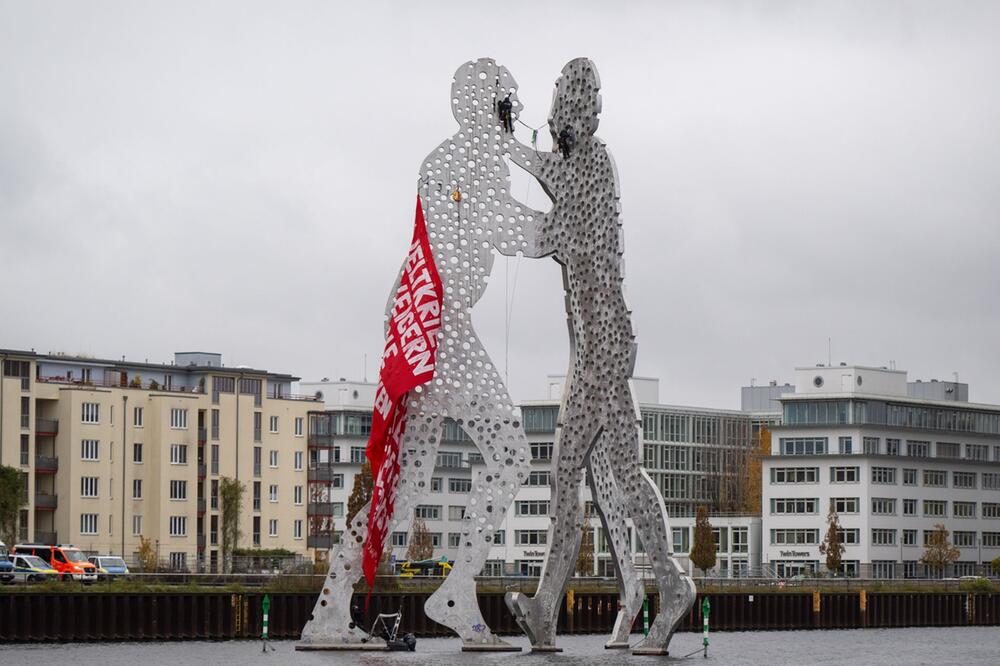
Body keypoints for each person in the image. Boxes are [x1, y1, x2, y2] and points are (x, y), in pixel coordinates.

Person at [298, 58, 545, 651]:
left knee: (404, 487)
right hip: (438, 329)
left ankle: (329, 612)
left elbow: (504, 226)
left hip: (422, 324)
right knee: (510, 452)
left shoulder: (463, 160)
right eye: (509, 107)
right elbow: (512, 231)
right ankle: (457, 591)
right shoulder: (462, 163)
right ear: (486, 108)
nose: (514, 119)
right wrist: (569, 223)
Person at [499, 58, 696, 654]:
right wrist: (508, 142)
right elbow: (546, 177)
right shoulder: (580, 164)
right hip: (592, 349)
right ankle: (543, 611)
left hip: (606, 346)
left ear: (576, 110)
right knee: (565, 478)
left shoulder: (592, 167)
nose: (556, 112)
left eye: (562, 101)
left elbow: (544, 219)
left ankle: (672, 584)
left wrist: (502, 150)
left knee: (626, 477)